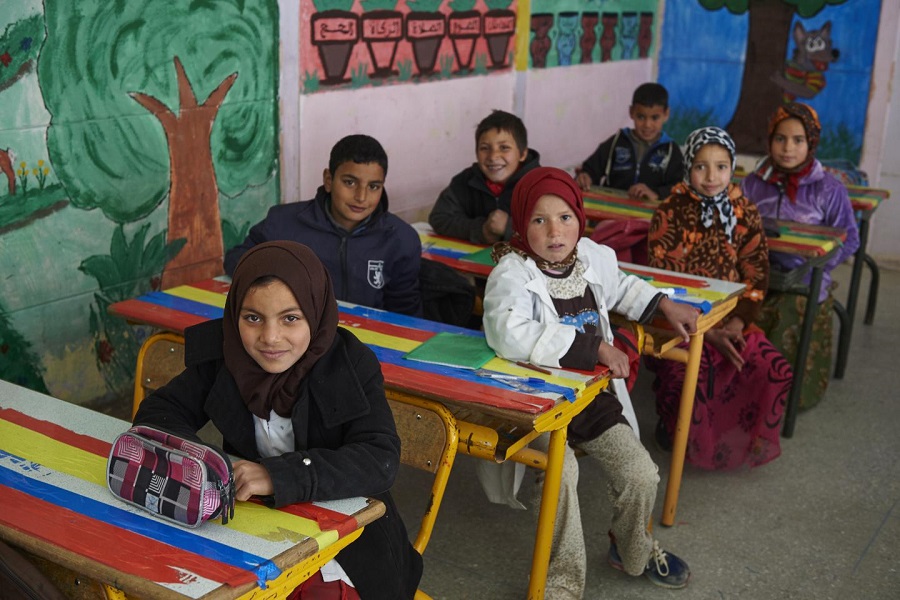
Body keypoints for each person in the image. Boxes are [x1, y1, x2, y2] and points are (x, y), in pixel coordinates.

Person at [135, 241, 423, 599]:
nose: (270, 338)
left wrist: (278, 475)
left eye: (291, 318)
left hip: (350, 543)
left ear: (315, 313)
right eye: (252, 318)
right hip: (253, 530)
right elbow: (158, 415)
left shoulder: (349, 365)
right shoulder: (225, 356)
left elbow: (379, 459)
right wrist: (211, 465)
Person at [482, 167, 700, 597]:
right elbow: (506, 331)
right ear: (521, 223)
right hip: (540, 405)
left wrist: (662, 305)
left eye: (565, 217)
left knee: (641, 475)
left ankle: (632, 549)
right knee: (562, 476)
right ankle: (562, 584)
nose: (555, 231)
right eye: (539, 220)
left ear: (580, 218)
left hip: (592, 401)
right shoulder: (511, 272)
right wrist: (594, 347)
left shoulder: (592, 257)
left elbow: (623, 287)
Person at [647, 127, 792, 470]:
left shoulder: (745, 211)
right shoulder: (670, 211)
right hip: (680, 322)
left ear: (732, 168)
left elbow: (756, 275)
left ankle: (731, 439)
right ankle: (678, 433)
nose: (711, 177)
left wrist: (737, 324)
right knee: (685, 376)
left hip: (732, 321)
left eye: (721, 167)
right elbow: (664, 284)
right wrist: (707, 331)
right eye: (701, 166)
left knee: (772, 368)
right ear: (688, 167)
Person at [742, 102, 860, 410]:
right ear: (770, 139)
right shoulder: (753, 183)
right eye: (780, 139)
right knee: (734, 313)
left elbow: (850, 239)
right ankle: (739, 395)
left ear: (811, 143)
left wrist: (817, 267)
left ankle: (783, 398)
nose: (787, 148)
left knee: (790, 314)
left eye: (798, 140)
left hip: (805, 281)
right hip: (757, 276)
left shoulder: (830, 189)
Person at [224, 134, 422, 316]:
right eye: (350, 182)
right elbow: (237, 259)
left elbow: (405, 312)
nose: (361, 197)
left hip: (370, 336)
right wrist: (282, 279)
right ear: (328, 180)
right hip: (300, 331)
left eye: (373, 186)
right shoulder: (284, 222)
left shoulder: (401, 239)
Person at [428, 109, 541, 244]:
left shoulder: (541, 185)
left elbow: (553, 230)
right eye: (485, 148)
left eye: (504, 147)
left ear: (522, 154)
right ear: (476, 153)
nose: (493, 156)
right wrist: (482, 230)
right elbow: (439, 218)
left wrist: (509, 227)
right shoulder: (466, 181)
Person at [575, 82, 684, 201]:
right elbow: (590, 169)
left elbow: (679, 187)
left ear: (666, 114)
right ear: (631, 112)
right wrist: (585, 176)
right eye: (641, 117)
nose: (647, 125)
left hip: (652, 211)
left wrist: (656, 193)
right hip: (612, 208)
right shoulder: (617, 142)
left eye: (654, 118)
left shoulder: (671, 151)